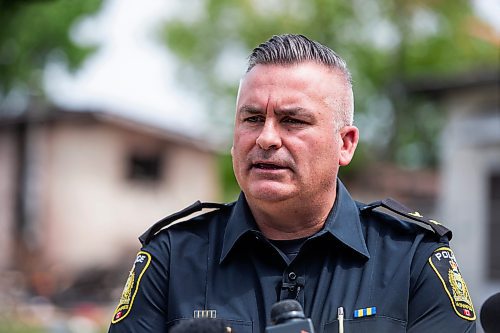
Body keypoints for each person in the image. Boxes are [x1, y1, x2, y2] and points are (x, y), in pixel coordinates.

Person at [108, 34, 476, 332]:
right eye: (252, 118)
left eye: (292, 121)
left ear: (344, 144)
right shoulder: (173, 256)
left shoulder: (410, 256)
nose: (266, 138)